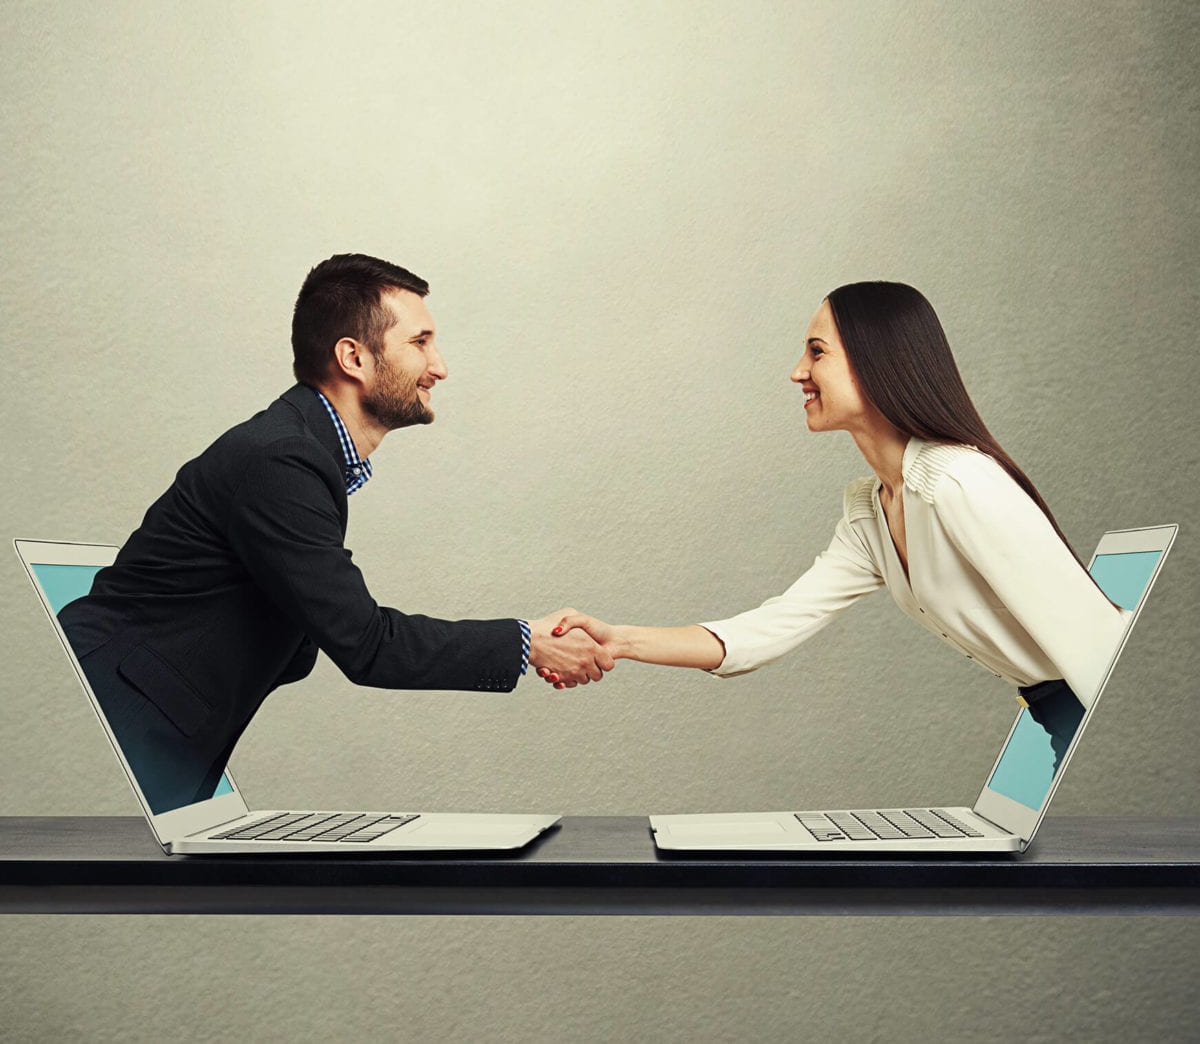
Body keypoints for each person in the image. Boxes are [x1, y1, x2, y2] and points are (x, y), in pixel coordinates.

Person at [58, 253, 611, 813]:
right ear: (353, 357)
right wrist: (527, 642)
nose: (439, 367)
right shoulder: (282, 460)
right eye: (420, 343)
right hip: (103, 744)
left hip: (145, 737)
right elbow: (367, 646)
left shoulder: (298, 450)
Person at [551, 281, 1128, 768]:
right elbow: (770, 628)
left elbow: (1094, 641)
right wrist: (619, 640)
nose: (797, 371)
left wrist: (1109, 752)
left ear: (877, 361)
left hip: (1091, 723)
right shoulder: (872, 512)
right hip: (1056, 721)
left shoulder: (957, 482)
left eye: (817, 352)